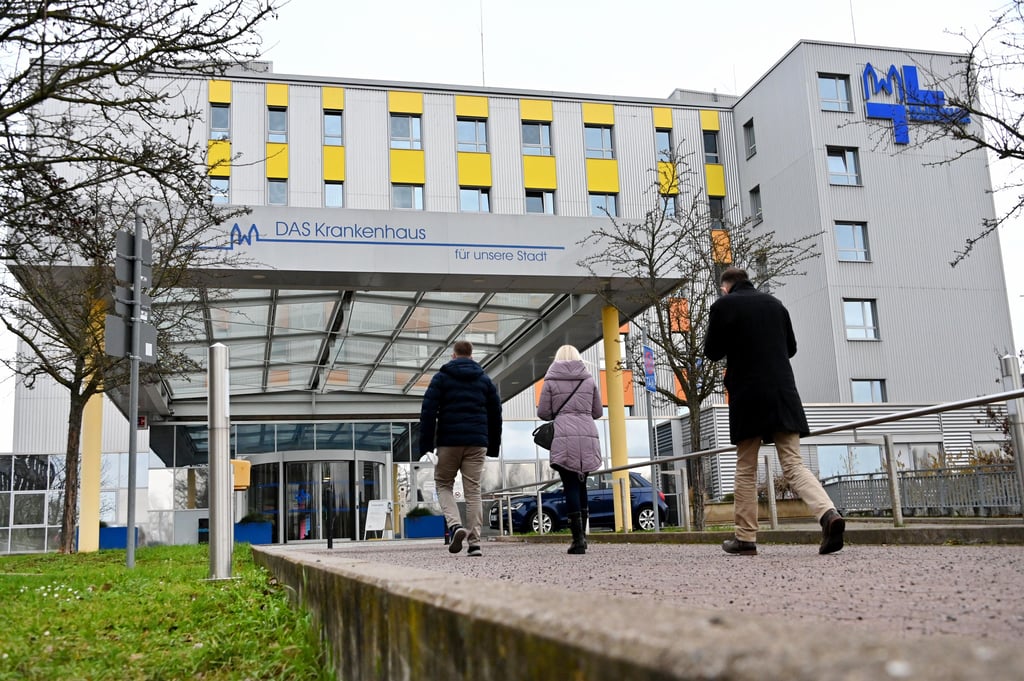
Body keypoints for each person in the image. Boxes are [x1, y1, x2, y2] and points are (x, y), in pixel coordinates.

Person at [704, 267, 845, 555]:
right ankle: (829, 514)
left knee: (746, 467)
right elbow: (790, 348)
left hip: (747, 395)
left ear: (725, 287)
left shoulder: (723, 305)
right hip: (783, 392)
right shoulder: (776, 305)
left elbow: (712, 351)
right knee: (793, 464)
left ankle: (745, 538)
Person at [419, 340, 502, 557]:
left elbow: (428, 411)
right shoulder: (484, 380)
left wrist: (426, 445)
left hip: (449, 442)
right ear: (472, 356)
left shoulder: (441, 378)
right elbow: (496, 415)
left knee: (443, 484)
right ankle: (474, 543)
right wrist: (493, 446)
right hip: (477, 442)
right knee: (473, 490)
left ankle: (455, 526)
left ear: (453, 355)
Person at [537, 345, 603, 555]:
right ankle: (582, 537)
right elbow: (597, 411)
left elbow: (543, 412)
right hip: (587, 434)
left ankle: (578, 540)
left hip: (564, 435)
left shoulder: (550, 381)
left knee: (570, 485)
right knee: (583, 484)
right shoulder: (589, 380)